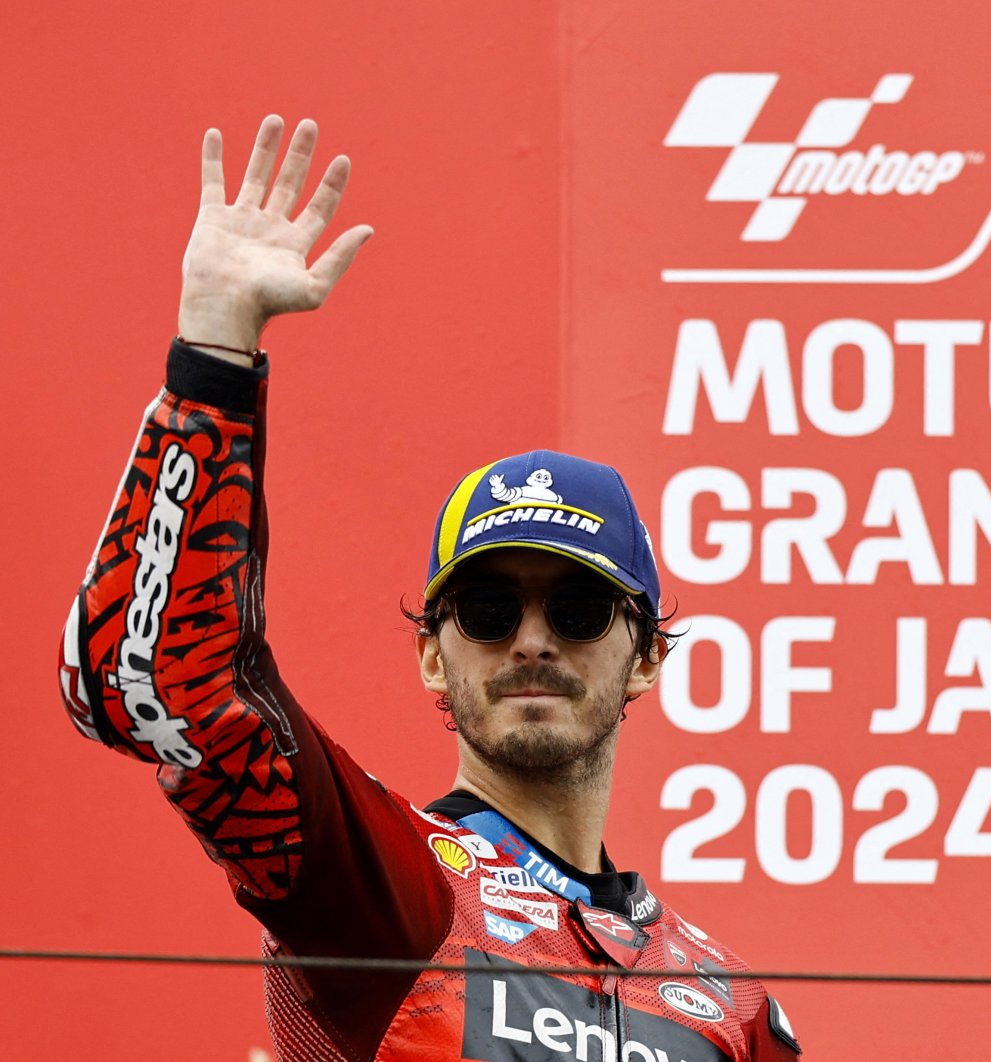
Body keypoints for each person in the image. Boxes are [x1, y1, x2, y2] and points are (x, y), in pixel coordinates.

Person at [58, 115, 802, 1062]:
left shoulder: (730, 1008)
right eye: (488, 613)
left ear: (648, 654)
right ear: (431, 655)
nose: (532, 640)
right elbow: (171, 685)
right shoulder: (387, 885)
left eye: (576, 611)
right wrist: (214, 352)